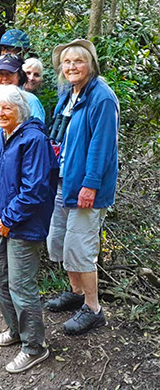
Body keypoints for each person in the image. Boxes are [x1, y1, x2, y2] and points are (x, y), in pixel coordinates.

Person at [45, 39, 119, 336]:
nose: (72, 66)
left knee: (81, 248)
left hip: (88, 186)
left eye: (78, 61)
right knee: (59, 241)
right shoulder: (69, 93)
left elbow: (102, 146)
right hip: (65, 180)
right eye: (67, 62)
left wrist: (90, 185)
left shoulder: (101, 97)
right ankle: (75, 293)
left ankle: (93, 308)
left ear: (91, 64)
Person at [0, 85, 58, 373]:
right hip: (1, 221)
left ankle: (35, 347)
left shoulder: (34, 139)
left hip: (24, 224)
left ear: (20, 111)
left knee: (21, 286)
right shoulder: (2, 136)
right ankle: (16, 330)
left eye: (7, 108)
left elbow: (35, 189)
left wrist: (8, 219)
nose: (1, 113)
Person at [0, 54, 46, 155]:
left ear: (19, 75)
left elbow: (38, 136)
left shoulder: (30, 100)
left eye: (10, 73)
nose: (5, 78)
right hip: (0, 159)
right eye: (1, 74)